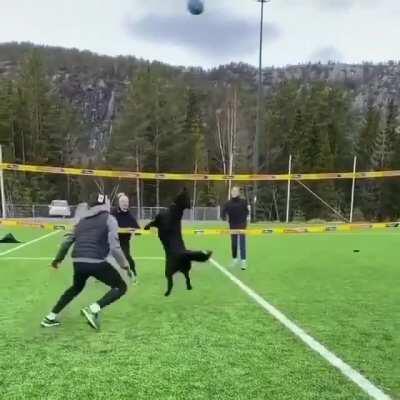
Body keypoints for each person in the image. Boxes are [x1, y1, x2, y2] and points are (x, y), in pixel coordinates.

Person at [41, 193, 131, 330]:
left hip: (78, 261)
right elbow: (115, 247)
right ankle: (93, 309)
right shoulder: (109, 219)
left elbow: (67, 242)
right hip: (95, 261)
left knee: (76, 287)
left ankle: (50, 317)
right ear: (104, 205)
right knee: (121, 287)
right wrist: (125, 265)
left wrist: (57, 260)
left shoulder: (81, 221)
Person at [144, 188, 212, 296]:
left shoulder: (167, 216)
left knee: (170, 272)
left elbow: (159, 220)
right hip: (178, 251)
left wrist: (149, 225)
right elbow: (176, 210)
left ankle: (173, 288)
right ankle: (187, 281)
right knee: (184, 265)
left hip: (173, 253)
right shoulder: (171, 217)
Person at [111, 193, 140, 281]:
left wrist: (134, 231)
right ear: (119, 203)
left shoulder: (130, 216)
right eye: (123, 201)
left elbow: (138, 230)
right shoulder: (113, 212)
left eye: (126, 202)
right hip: (112, 239)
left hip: (124, 241)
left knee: (127, 256)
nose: (125, 203)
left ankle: (133, 272)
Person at [222, 186, 249, 270]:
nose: (233, 192)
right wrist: (224, 218)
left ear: (238, 193)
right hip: (232, 225)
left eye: (235, 191)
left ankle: (243, 262)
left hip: (242, 225)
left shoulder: (243, 202)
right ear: (230, 192)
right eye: (232, 191)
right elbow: (223, 213)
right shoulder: (228, 203)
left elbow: (247, 212)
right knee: (234, 244)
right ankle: (234, 259)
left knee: (242, 244)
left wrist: (244, 220)